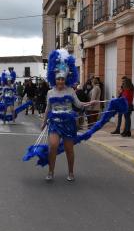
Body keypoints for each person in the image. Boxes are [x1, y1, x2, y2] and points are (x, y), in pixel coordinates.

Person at [39, 50, 97, 182]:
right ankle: (51, 171)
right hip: (54, 123)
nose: (60, 81)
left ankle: (71, 172)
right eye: (58, 79)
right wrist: (44, 122)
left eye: (62, 79)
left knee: (69, 149)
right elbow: (48, 108)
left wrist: (90, 103)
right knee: (52, 146)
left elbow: (79, 104)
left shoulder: (70, 90)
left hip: (68, 124)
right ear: (54, 78)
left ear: (66, 79)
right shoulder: (50, 92)